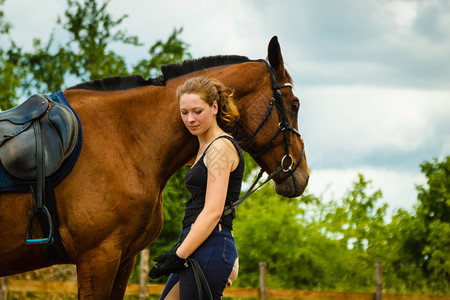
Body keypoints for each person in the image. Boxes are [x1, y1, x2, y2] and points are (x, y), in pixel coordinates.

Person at [149, 77, 245, 299]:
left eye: (197, 111)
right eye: (184, 112)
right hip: (197, 246)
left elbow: (213, 212)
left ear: (214, 107)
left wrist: (177, 255)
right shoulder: (202, 147)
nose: (190, 119)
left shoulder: (220, 148)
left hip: (210, 246)